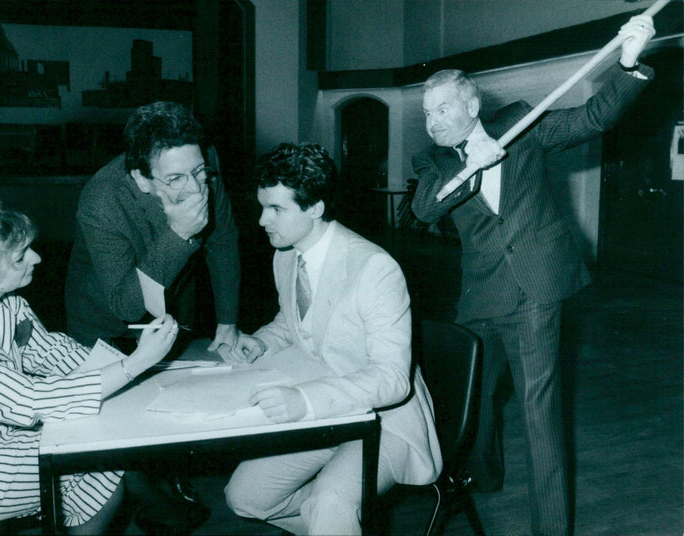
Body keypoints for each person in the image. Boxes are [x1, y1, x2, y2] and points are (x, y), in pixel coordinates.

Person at [410, 15, 655, 536]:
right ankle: (485, 475)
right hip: (479, 297)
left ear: (472, 106)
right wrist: (471, 166)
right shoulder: (433, 159)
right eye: (427, 112)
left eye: (443, 108)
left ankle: (550, 529)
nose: (433, 120)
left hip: (536, 290)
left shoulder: (523, 124)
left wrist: (628, 61)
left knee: (540, 416)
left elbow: (593, 117)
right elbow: (427, 210)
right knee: (472, 403)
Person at [0, 198, 185, 534]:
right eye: (20, 256)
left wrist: (155, 373)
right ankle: (165, 511)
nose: (37, 258)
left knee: (97, 454)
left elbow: (55, 352)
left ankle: (162, 511)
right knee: (98, 459)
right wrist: (135, 364)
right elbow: (33, 401)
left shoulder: (6, 306)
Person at [223, 142, 443, 535]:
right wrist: (261, 342)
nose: (261, 220)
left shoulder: (375, 268)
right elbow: (294, 322)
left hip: (384, 420)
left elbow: (392, 379)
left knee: (331, 501)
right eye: (262, 206)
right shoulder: (287, 255)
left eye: (276, 209)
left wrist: (305, 400)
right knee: (245, 497)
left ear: (315, 208)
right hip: (330, 413)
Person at [65, 101, 241, 354]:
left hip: (173, 315)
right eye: (176, 178)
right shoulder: (101, 201)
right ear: (141, 179)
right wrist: (179, 235)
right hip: (105, 326)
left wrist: (227, 322)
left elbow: (222, 241)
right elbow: (126, 306)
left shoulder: (202, 160)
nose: (195, 188)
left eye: (198, 171)